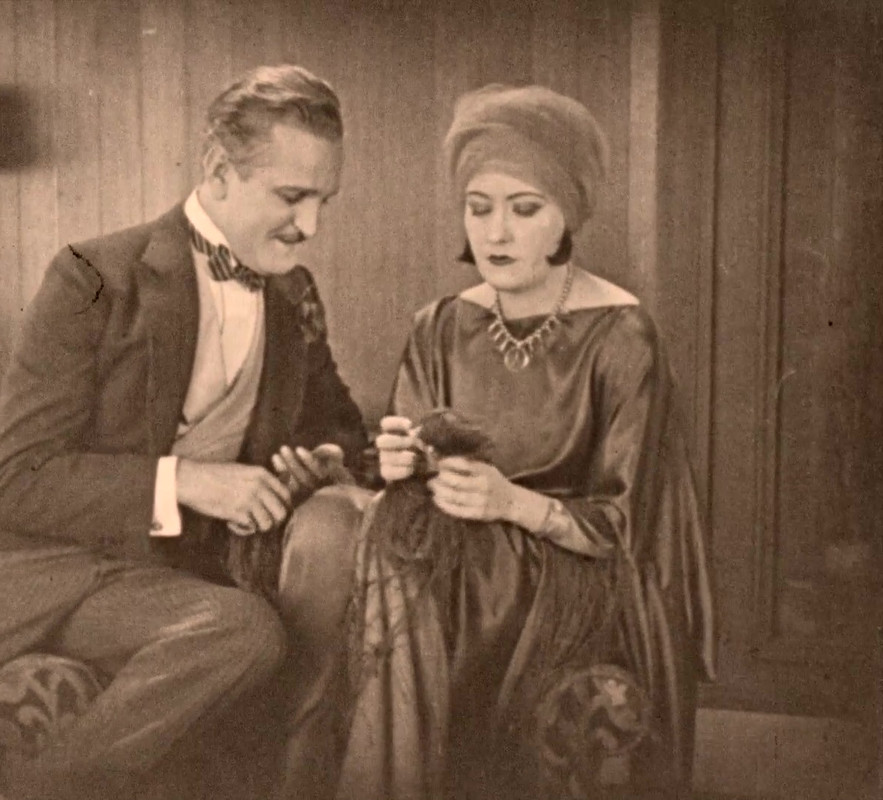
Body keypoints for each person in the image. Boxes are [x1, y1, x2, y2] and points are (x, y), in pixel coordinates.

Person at [0, 64, 367, 800]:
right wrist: (187, 482)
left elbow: (340, 427)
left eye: (324, 201)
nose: (310, 226)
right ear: (218, 172)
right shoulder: (91, 275)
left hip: (140, 582)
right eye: (292, 197)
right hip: (2, 571)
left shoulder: (293, 294)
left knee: (249, 633)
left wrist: (319, 460)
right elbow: (17, 480)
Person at [280, 84, 716, 800]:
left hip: (568, 570)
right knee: (363, 526)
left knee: (396, 551)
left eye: (525, 209)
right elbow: (410, 471)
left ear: (566, 215)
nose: (497, 233)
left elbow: (623, 525)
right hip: (451, 559)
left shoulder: (622, 334)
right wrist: (398, 464)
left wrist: (509, 502)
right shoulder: (440, 325)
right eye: (479, 209)